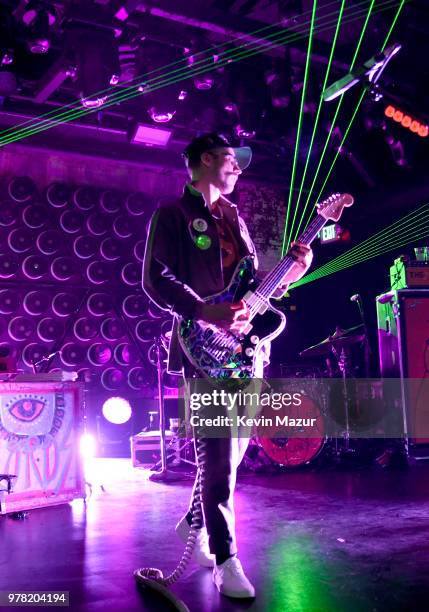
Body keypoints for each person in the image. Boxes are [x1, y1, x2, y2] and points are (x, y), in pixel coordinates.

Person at [142, 132, 313, 599]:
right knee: (219, 456)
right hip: (203, 347)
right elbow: (156, 278)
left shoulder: (235, 218)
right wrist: (202, 310)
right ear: (202, 161)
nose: (238, 167)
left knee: (234, 453)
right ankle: (224, 557)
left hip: (246, 352)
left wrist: (295, 270)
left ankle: (193, 522)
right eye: (229, 159)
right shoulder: (173, 215)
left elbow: (255, 286)